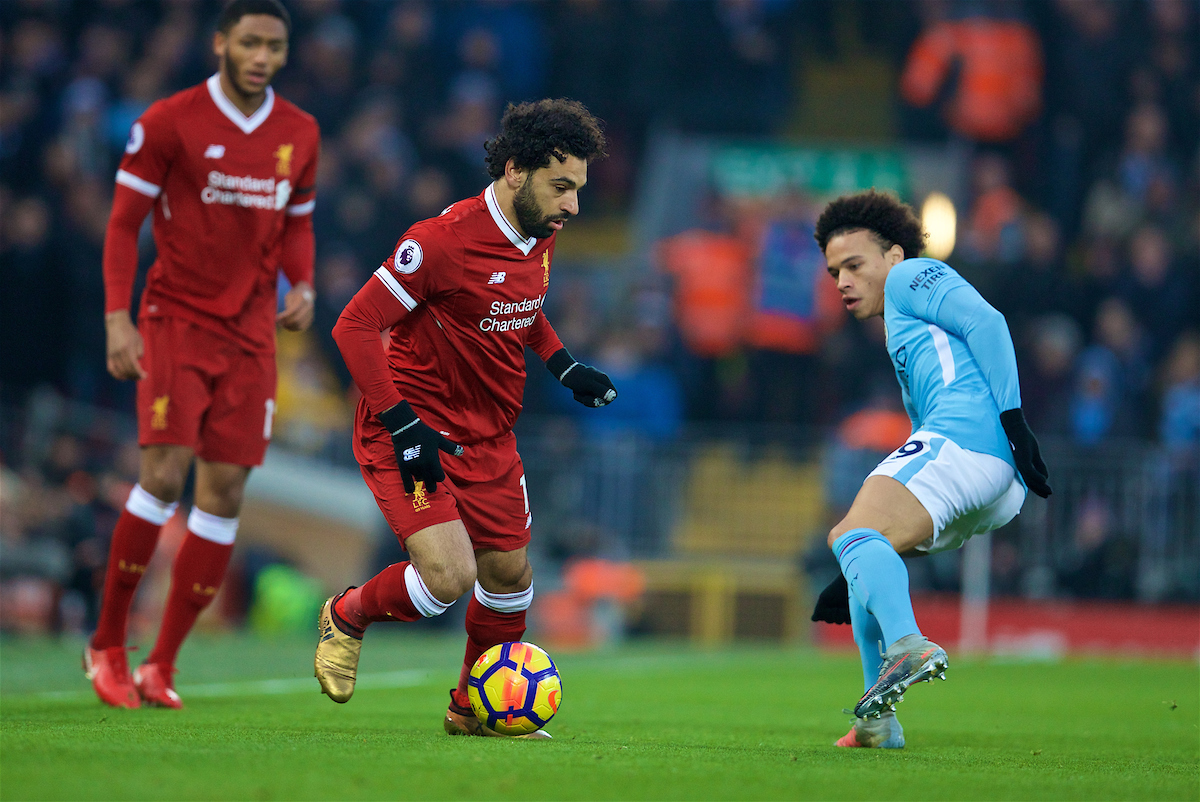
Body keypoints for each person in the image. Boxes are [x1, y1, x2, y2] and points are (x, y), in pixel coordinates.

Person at [317, 99, 614, 739]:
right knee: (449, 578)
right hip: (411, 430)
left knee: (510, 579)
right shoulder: (438, 243)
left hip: (490, 437)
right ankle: (347, 615)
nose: (573, 206)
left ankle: (471, 711)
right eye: (561, 187)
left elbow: (519, 306)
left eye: (579, 190)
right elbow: (355, 326)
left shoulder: (541, 234)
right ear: (514, 170)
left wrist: (562, 365)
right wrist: (402, 425)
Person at [85, 0, 319, 710]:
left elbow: (299, 224)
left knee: (223, 496)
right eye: (249, 42)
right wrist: (117, 319)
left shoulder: (300, 132)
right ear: (221, 42)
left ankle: (162, 663)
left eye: (274, 46)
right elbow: (123, 226)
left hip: (250, 336)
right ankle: (107, 643)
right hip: (175, 318)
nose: (261, 57)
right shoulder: (168, 121)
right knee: (162, 476)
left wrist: (303, 283)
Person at [810, 189, 1051, 749]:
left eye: (853, 265)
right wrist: (856, 569)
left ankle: (908, 642)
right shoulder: (900, 327)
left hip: (969, 441)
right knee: (861, 548)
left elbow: (988, 322)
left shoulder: (910, 276)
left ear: (893, 256)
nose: (842, 281)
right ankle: (876, 722)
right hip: (988, 479)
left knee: (849, 533)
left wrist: (1015, 421)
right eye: (833, 272)